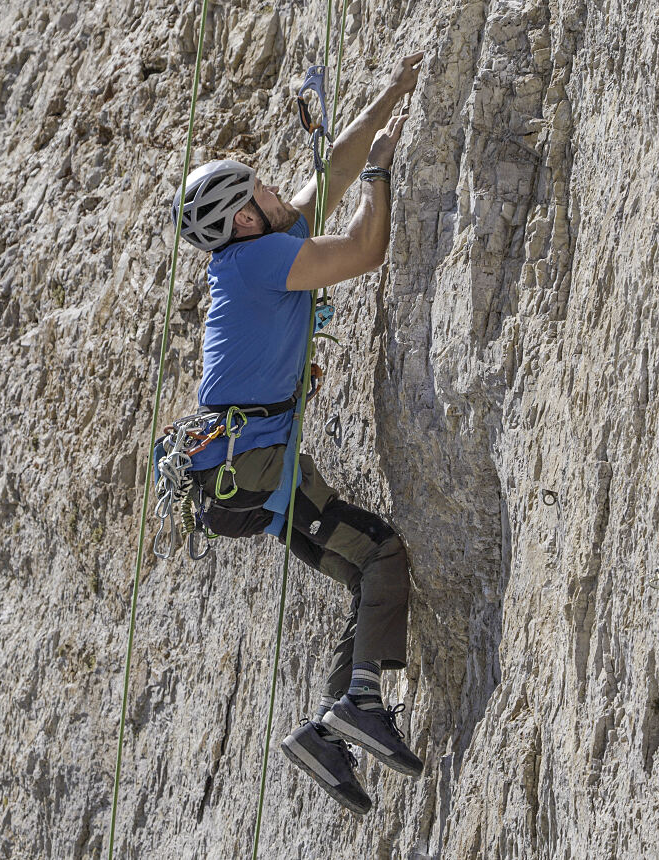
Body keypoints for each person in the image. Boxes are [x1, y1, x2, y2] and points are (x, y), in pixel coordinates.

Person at [169, 52, 426, 816]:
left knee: (362, 571)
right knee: (381, 553)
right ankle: (356, 707)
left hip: (242, 475)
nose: (279, 188)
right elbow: (363, 251)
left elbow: (331, 172)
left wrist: (388, 97)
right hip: (254, 466)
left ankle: (328, 728)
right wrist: (384, 178)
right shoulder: (263, 259)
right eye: (262, 188)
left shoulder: (252, 251)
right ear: (245, 216)